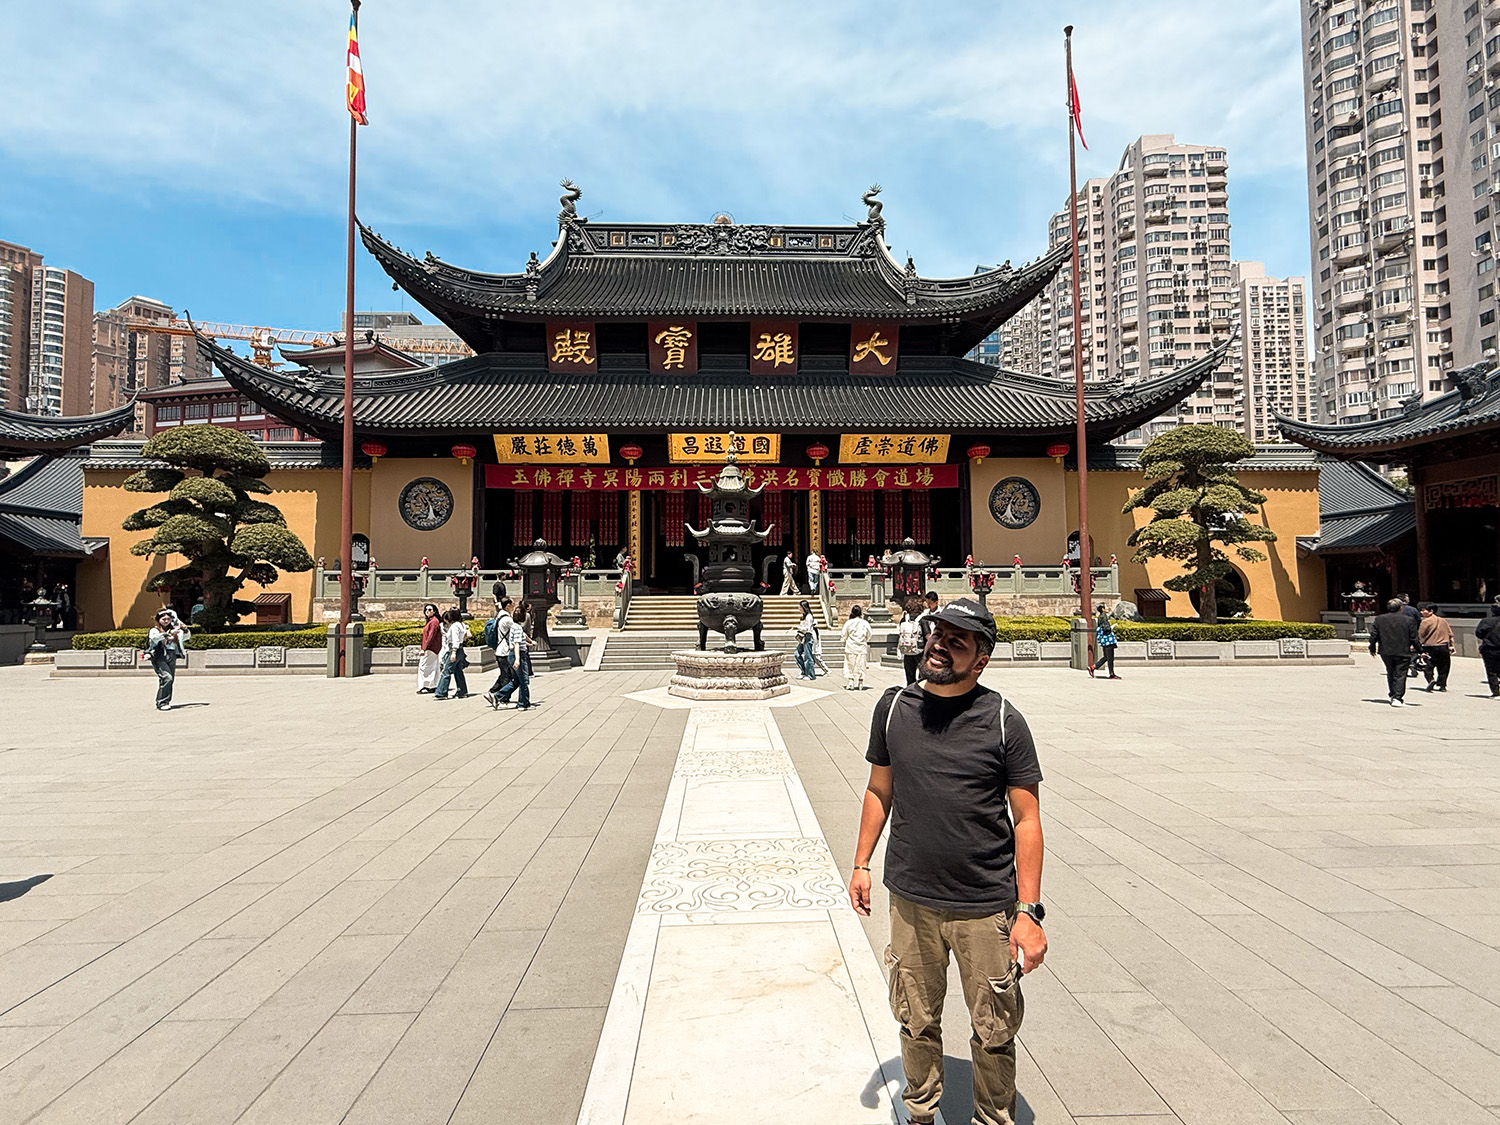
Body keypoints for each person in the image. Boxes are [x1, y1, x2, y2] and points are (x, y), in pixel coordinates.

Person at [849, 597, 1046, 1125]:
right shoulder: (892, 708)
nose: (939, 645)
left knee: (995, 1029)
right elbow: (878, 790)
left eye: (957, 641)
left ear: (980, 659)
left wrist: (1028, 913)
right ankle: (920, 1112)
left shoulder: (1003, 720)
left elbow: (1027, 820)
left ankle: (993, 1117)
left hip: (984, 905)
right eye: (938, 634)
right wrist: (862, 862)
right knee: (915, 1020)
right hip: (911, 899)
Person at [1369, 597, 1419, 706]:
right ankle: (1397, 697)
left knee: (1390, 671)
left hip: (1385, 650)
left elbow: (1374, 635)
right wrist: (1419, 650)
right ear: (1401, 608)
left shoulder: (1379, 619)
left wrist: (1372, 647)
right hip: (1402, 650)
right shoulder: (1409, 620)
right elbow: (1414, 638)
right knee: (1400, 673)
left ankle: (1393, 693)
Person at [146, 608, 190, 711]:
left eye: (168, 619)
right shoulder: (155, 630)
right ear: (158, 620)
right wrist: (168, 634)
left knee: (170, 679)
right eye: (163, 619)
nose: (166, 621)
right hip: (159, 656)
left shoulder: (175, 630)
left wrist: (185, 629)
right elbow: (155, 638)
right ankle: (162, 702)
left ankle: (165, 700)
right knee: (167, 677)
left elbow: (186, 637)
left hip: (172, 655)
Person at [494, 601, 533, 709]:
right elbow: (516, 644)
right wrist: (518, 659)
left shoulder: (514, 627)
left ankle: (497, 696)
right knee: (524, 680)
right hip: (518, 655)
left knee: (516, 680)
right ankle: (523, 703)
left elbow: (518, 641)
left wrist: (529, 642)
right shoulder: (517, 628)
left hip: (514, 654)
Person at [482, 597, 516, 708]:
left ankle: (492, 692)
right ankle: (502, 698)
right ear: (507, 606)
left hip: (499, 649)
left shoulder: (499, 616)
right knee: (507, 675)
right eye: (512, 605)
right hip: (504, 651)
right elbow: (517, 631)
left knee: (504, 673)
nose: (513, 607)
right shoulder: (507, 619)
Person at [1416, 602, 1455, 693]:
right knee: (1444, 666)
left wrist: (1416, 645)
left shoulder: (1425, 622)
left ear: (1431, 611)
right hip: (1443, 646)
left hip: (1430, 646)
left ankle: (1430, 680)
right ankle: (1442, 685)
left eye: (1424, 610)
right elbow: (1450, 634)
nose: (1422, 612)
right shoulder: (1443, 620)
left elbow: (1420, 635)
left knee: (1428, 666)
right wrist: (1452, 645)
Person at [433, 608, 471, 700]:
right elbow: (466, 636)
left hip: (454, 649)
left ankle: (441, 692)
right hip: (460, 649)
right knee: (458, 671)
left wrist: (453, 652)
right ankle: (462, 691)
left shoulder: (454, 626)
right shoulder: (461, 625)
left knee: (447, 671)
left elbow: (455, 639)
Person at [841, 604, 873, 690]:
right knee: (861, 665)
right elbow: (869, 634)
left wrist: (843, 640)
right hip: (861, 646)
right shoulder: (865, 623)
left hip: (851, 646)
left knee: (850, 664)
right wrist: (865, 640)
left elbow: (844, 634)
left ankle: (851, 681)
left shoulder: (848, 622)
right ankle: (860, 682)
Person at [897, 598, 924, 685]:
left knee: (910, 676)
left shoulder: (905, 619)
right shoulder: (922, 619)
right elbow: (927, 635)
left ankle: (910, 692)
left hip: (907, 650)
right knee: (922, 676)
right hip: (920, 651)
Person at [416, 603, 442, 693]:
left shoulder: (433, 622)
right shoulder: (432, 621)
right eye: (426, 610)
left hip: (430, 649)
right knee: (432, 667)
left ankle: (425, 686)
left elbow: (430, 636)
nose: (427, 611)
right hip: (432, 648)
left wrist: (424, 648)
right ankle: (432, 685)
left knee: (424, 667)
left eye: (430, 610)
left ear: (434, 611)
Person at [1477, 599, 1500, 698]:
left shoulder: (1486, 621)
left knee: (1491, 671)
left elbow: (1479, 633)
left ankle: (1496, 692)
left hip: (1489, 648)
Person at [794, 599, 818, 679]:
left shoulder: (809, 617)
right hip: (803, 638)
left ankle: (811, 674)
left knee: (808, 656)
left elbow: (807, 629)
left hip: (808, 637)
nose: (799, 608)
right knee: (797, 654)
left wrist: (798, 627)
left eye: (800, 607)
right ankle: (804, 671)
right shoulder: (804, 616)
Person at [1095, 604, 1120, 680]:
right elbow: (1106, 628)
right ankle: (1111, 674)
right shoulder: (1104, 616)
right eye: (1106, 607)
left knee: (1106, 656)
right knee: (1110, 657)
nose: (1107, 608)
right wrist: (1112, 626)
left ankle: (1094, 667)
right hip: (1108, 640)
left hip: (1103, 640)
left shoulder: (1100, 616)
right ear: (1103, 609)